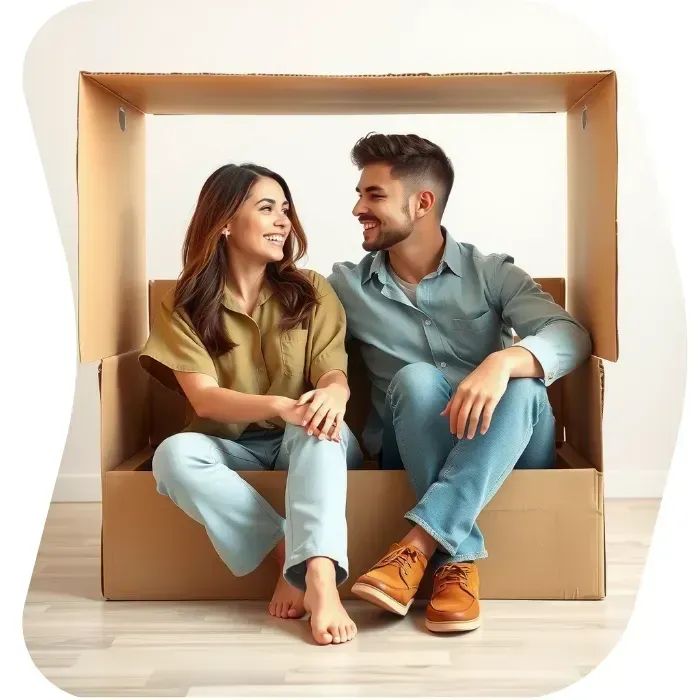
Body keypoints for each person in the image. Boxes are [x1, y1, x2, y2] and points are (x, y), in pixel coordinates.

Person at [328, 133, 592, 634]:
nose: (359, 207)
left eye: (374, 195)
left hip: (507, 446)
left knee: (525, 384)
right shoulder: (345, 285)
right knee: (415, 380)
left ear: (422, 203)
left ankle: (417, 547)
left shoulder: (491, 273)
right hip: (410, 447)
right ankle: (457, 560)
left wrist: (503, 361)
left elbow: (571, 334)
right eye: (360, 194)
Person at [139, 163, 363, 646]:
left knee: (318, 425)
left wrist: (333, 392)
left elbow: (333, 370)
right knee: (172, 455)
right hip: (234, 448)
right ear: (223, 221)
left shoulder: (312, 288)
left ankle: (321, 582)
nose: (283, 220)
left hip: (306, 442)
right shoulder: (185, 303)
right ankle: (288, 554)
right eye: (267, 208)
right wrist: (280, 404)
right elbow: (203, 398)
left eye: (285, 209)